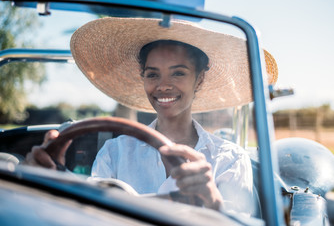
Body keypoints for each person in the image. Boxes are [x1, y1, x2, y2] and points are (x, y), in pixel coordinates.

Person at [25, 17, 278, 216]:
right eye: (153, 74)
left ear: (199, 79)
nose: (163, 86)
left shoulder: (230, 159)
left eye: (178, 73)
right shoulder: (115, 151)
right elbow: (92, 216)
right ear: (142, 77)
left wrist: (212, 202)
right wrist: (51, 178)